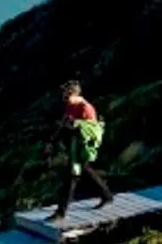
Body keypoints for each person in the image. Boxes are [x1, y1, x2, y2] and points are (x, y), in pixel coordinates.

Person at [50, 81, 113, 221]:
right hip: (73, 146)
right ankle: (107, 196)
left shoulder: (86, 108)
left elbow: (91, 132)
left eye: (66, 94)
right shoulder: (70, 106)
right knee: (86, 172)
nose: (64, 96)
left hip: (81, 148)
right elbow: (64, 123)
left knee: (71, 178)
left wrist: (74, 127)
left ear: (73, 93)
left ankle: (61, 213)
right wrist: (53, 140)